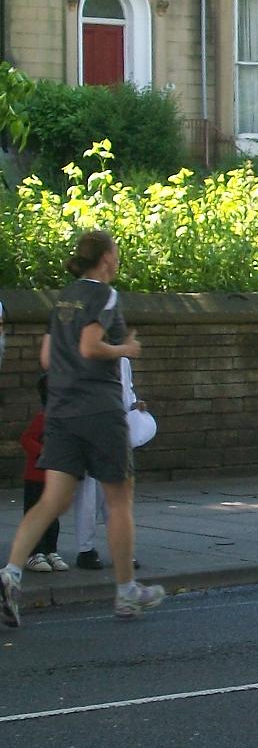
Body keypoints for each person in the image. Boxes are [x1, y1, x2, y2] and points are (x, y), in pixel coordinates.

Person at [0, 230, 165, 628]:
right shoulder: (104, 296)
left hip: (61, 411)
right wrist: (125, 349)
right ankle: (126, 592)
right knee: (119, 497)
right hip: (100, 412)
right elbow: (91, 346)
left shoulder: (63, 299)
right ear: (106, 258)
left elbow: (45, 357)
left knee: (52, 500)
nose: (119, 258)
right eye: (117, 251)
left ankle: (10, 574)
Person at [75, 356, 156, 570]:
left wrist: (135, 405)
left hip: (116, 432)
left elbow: (127, 392)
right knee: (88, 495)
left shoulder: (122, 361)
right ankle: (86, 550)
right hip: (88, 430)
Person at [19, 373, 70, 573]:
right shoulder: (43, 418)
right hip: (36, 475)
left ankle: (50, 550)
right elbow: (26, 439)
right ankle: (33, 553)